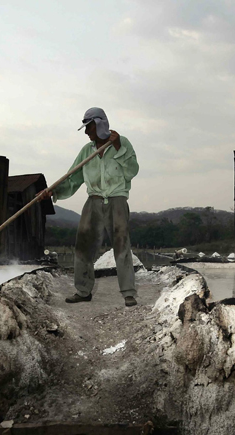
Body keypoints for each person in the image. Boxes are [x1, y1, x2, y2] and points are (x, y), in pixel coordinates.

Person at [52, 107, 140, 307]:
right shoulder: (86, 151)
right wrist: (53, 191)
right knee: (83, 246)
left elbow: (132, 171)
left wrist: (118, 148)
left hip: (117, 200)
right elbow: (73, 177)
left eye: (89, 127)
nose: (86, 132)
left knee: (121, 247)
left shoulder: (122, 143)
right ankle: (83, 291)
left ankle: (128, 293)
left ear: (100, 124)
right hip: (93, 201)